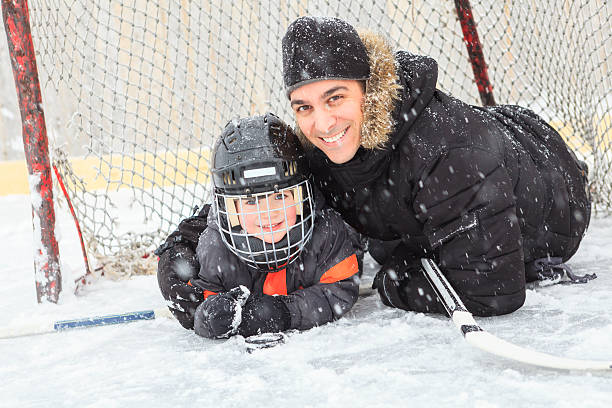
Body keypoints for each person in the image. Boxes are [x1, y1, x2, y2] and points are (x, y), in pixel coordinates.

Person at [281, 16, 592, 317]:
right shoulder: (322, 148)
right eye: (304, 107)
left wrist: (394, 284)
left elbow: (493, 291)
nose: (322, 123)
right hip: (487, 144)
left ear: (368, 90)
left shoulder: (446, 152)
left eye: (335, 98)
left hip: (553, 186)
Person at [155, 113, 363, 338]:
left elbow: (340, 292)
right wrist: (211, 318)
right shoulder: (216, 246)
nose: (269, 213)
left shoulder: (326, 229)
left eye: (281, 197)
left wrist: (283, 312)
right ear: (230, 209)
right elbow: (204, 306)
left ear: (303, 195)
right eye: (251, 201)